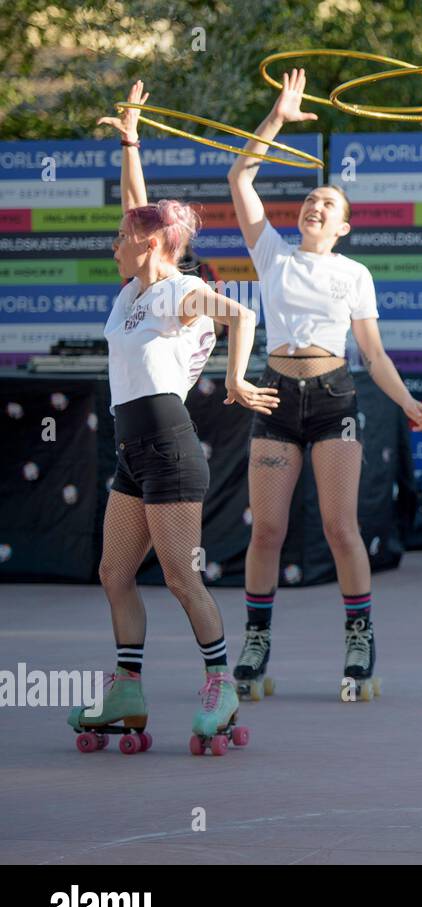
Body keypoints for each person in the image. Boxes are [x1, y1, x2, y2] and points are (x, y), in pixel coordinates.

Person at [68, 82, 279, 755]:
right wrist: (130, 139)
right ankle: (127, 687)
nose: (114, 239)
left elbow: (240, 313)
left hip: (171, 448)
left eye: (124, 235)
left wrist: (239, 378)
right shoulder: (135, 289)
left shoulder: (179, 290)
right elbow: (140, 206)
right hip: (133, 450)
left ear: (150, 245)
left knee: (183, 575)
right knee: (114, 572)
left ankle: (221, 679)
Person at [226, 69, 422, 701]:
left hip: (334, 399)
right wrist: (276, 118)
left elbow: (373, 354)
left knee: (342, 528)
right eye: (311, 201)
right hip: (273, 397)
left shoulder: (354, 274)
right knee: (266, 530)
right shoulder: (272, 255)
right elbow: (240, 178)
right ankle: (256, 640)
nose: (315, 207)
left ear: (343, 226)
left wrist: (406, 401)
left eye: (329, 206)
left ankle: (359, 637)